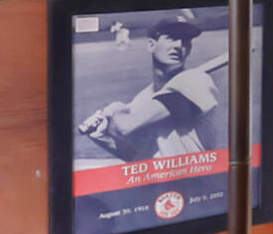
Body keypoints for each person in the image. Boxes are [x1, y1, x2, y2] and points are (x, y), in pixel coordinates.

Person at [78, 10, 224, 163]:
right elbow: (141, 157)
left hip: (197, 175)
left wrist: (116, 110)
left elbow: (126, 127)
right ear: (151, 45)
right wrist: (102, 136)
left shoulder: (196, 81)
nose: (179, 45)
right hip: (162, 177)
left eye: (185, 40)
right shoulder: (142, 100)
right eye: (172, 38)